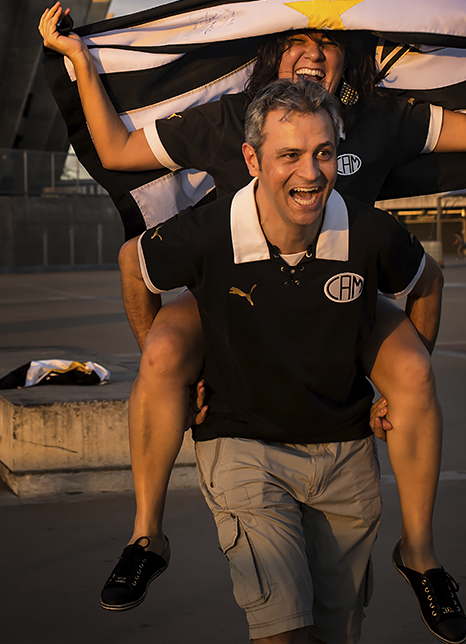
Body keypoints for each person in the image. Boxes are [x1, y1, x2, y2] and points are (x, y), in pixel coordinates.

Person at [38, 0, 466, 642]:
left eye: (328, 41)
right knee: (165, 353)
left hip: (342, 291)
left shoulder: (382, 117)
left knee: (412, 370)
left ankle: (420, 551)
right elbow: (119, 150)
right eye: (297, 39)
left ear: (350, 59)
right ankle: (147, 534)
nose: (313, 53)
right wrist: (80, 60)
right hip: (236, 294)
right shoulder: (230, 119)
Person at [119, 78, 446, 643]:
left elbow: (428, 281)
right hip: (244, 442)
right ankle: (147, 535)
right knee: (282, 630)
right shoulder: (209, 232)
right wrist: (176, 377)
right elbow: (134, 264)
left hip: (341, 446)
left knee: (336, 632)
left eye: (324, 153)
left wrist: (394, 394)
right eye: (289, 155)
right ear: (252, 160)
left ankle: (418, 552)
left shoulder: (365, 230)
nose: (310, 173)